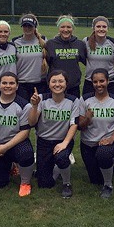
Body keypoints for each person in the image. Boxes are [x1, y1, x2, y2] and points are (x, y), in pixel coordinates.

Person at [0, 72, 35, 197]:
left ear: (17, 86)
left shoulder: (24, 105)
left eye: (11, 83)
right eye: (4, 83)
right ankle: (11, 166)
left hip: (15, 144)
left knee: (26, 154)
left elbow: (25, 131)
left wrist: (6, 147)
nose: (8, 86)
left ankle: (25, 183)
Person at [29, 70, 80, 198]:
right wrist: (34, 106)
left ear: (66, 84)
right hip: (44, 141)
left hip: (63, 140)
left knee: (61, 157)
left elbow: (74, 124)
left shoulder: (73, 101)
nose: (57, 84)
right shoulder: (41, 98)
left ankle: (66, 183)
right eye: (54, 81)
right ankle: (53, 167)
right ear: (48, 83)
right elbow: (31, 122)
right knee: (45, 184)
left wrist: (65, 143)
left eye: (61, 81)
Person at [78, 68, 114, 199]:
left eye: (102, 81)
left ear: (108, 81)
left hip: (108, 142)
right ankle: (110, 165)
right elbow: (80, 127)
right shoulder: (85, 99)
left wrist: (111, 139)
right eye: (95, 82)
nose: (98, 84)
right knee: (95, 180)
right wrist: (87, 118)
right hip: (88, 144)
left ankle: (108, 185)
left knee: (103, 155)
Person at [45, 15, 87, 98]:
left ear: (73, 28)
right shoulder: (50, 44)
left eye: (69, 27)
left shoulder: (79, 44)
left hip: (73, 87)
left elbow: (87, 61)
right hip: (56, 86)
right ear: (58, 28)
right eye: (62, 27)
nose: (65, 30)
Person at [12, 13, 48, 101]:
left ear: (35, 27)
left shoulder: (43, 40)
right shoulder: (15, 42)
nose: (27, 28)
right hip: (22, 85)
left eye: (30, 26)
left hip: (40, 84)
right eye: (25, 26)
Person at [82, 16, 114, 96]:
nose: (101, 29)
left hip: (109, 82)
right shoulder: (86, 41)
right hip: (90, 81)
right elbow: (82, 58)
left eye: (104, 27)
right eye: (98, 26)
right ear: (93, 28)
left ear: (107, 28)